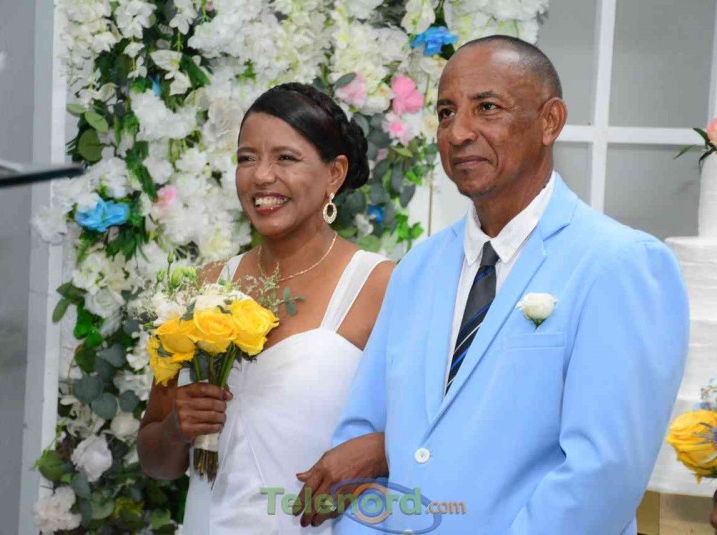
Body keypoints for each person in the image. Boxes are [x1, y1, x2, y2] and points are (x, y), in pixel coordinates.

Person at [294, 35, 690, 534]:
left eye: (487, 108)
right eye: (446, 113)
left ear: (550, 121)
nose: (459, 132)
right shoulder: (417, 269)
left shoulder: (620, 264)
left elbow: (602, 476)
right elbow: (360, 437)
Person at [136, 83, 394, 534]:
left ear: (334, 174)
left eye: (286, 158)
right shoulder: (204, 287)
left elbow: (429, 439)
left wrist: (378, 453)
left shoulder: (380, 285)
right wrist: (177, 428)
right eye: (246, 158)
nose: (260, 177)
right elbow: (156, 461)